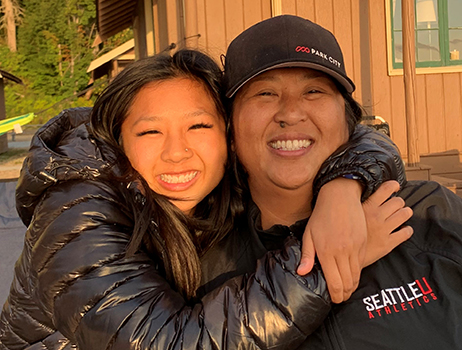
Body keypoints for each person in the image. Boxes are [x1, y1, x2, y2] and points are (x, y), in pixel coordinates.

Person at [0, 49, 408, 349]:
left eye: (198, 126)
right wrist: (326, 259)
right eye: (149, 132)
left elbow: (359, 136)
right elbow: (172, 343)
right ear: (118, 140)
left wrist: (345, 185)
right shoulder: (77, 210)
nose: (177, 152)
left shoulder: (213, 187)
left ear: (229, 135)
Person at [221, 14, 462, 349]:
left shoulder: (427, 215)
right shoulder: (203, 260)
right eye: (265, 93)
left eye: (314, 90)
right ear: (230, 130)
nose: (291, 113)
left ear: (349, 120)